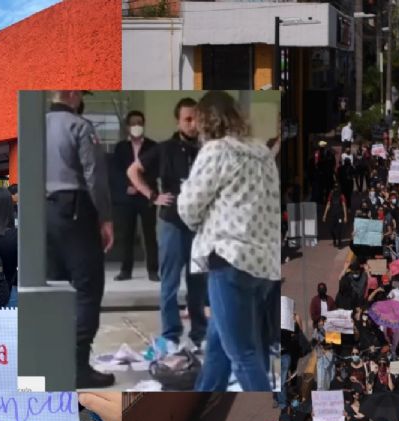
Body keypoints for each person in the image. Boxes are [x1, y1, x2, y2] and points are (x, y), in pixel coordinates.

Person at [179, 91, 279, 392]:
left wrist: (201, 222)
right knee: (219, 350)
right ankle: (202, 401)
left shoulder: (216, 151)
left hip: (228, 258)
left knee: (243, 356)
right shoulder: (261, 151)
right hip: (263, 264)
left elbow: (189, 206)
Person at [45, 90, 115, 388]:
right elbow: (94, 174)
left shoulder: (36, 124)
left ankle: (52, 362)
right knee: (87, 286)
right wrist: (105, 217)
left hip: (42, 212)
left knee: (52, 285)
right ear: (72, 92)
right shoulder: (79, 126)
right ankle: (78, 366)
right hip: (74, 208)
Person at [128, 96, 207, 355]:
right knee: (170, 285)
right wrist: (152, 196)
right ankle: (171, 336)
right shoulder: (165, 149)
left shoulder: (205, 150)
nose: (193, 123)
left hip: (199, 228)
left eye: (196, 118)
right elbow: (133, 171)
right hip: (172, 224)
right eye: (187, 119)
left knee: (197, 285)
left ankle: (199, 335)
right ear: (178, 120)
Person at [110, 110, 158, 282]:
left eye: (140, 122)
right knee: (126, 235)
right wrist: (128, 186)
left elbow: (155, 170)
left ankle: (153, 270)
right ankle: (125, 270)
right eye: (133, 123)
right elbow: (116, 171)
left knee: (149, 233)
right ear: (128, 126)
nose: (137, 126)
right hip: (126, 198)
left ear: (144, 124)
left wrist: (142, 187)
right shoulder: (120, 147)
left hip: (146, 196)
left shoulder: (153, 146)